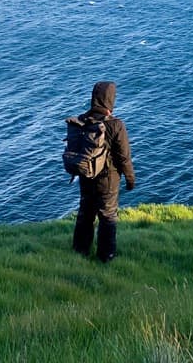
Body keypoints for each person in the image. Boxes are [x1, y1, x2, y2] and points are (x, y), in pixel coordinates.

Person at [72, 80, 135, 262]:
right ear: (110, 100)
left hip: (86, 175)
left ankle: (79, 252)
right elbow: (124, 157)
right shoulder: (116, 125)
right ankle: (106, 257)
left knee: (86, 212)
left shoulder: (82, 120)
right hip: (108, 179)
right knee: (107, 216)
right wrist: (130, 179)